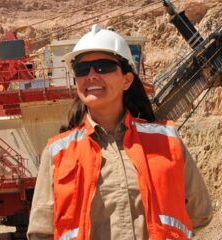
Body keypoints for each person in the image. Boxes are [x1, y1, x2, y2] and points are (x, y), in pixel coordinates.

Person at [27, 24, 212, 240]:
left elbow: (199, 214)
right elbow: (42, 233)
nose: (92, 75)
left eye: (103, 66)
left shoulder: (167, 141)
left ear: (127, 80)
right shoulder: (57, 152)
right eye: (82, 69)